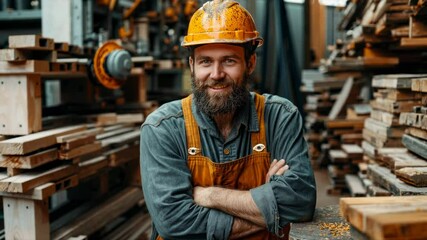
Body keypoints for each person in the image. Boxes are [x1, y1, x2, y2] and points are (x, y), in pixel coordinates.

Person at [140, 0, 316, 239]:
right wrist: (268, 207)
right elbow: (174, 222)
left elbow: (300, 202)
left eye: (229, 60)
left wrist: (210, 196)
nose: (216, 74)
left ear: (250, 63)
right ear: (192, 65)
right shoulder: (163, 128)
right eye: (205, 61)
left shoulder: (279, 117)